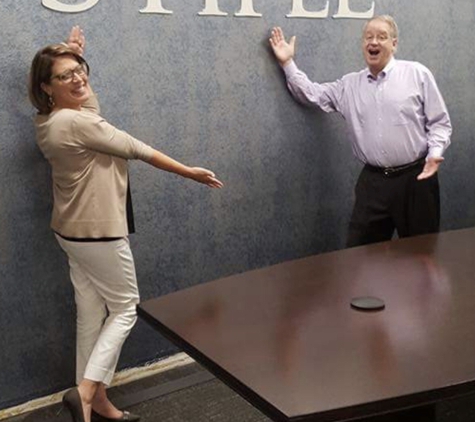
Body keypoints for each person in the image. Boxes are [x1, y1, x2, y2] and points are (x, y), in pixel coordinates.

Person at [29, 26, 223, 422]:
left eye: (80, 69)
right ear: (47, 87)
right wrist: (190, 172)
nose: (79, 77)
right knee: (125, 309)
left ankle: (95, 403)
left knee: (90, 315)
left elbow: (89, 113)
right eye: (66, 75)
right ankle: (84, 392)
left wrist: (74, 57)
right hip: (99, 232)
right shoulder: (80, 125)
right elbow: (137, 149)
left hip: (70, 231)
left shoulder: (50, 121)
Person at [269, 15, 452, 247]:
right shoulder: (349, 85)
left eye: (381, 37)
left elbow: (440, 123)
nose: (373, 42)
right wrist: (287, 63)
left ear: (394, 44)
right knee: (359, 255)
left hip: (416, 179)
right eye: (368, 37)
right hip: (373, 183)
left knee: (421, 254)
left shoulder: (417, 74)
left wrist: (435, 153)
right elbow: (311, 94)